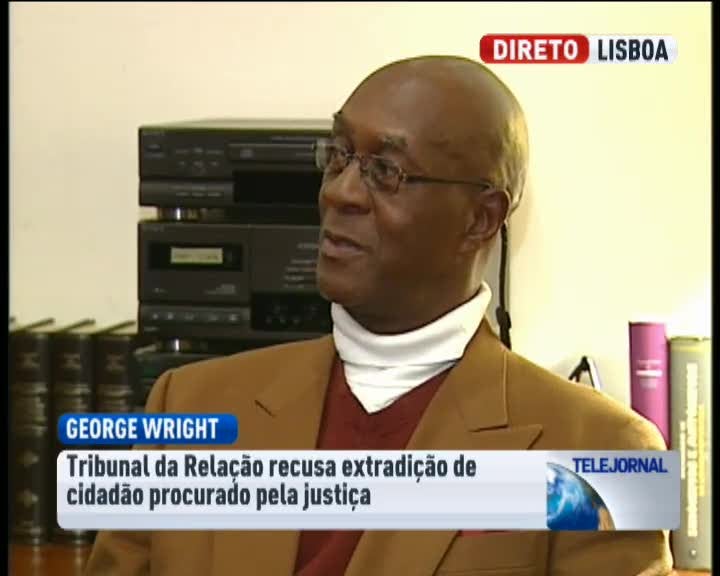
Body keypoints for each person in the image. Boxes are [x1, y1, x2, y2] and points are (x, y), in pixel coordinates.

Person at [86, 55, 673, 576]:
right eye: (339, 155)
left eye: (385, 171)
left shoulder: (603, 450)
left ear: (480, 219)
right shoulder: (188, 405)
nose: (340, 192)